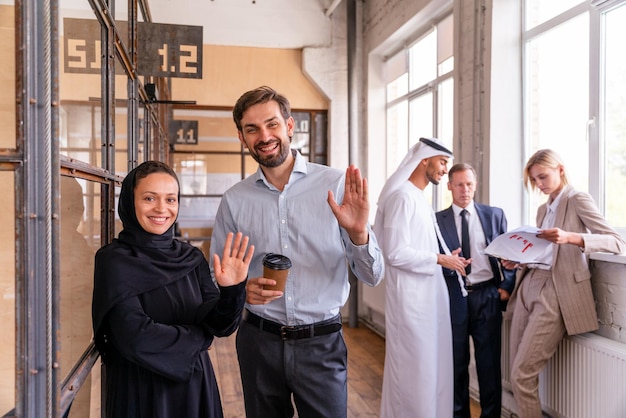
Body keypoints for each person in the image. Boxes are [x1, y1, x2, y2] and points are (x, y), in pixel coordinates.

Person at [209, 86, 384, 418]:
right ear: (242, 138)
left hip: (321, 343)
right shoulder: (234, 200)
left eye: (272, 124)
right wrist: (241, 290)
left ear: (289, 126)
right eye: (252, 129)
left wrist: (359, 233)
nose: (264, 135)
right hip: (258, 341)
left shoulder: (335, 185)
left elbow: (372, 275)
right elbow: (215, 277)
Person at [92, 161, 254, 418]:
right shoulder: (114, 260)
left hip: (194, 385)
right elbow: (134, 336)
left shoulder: (190, 257)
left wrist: (232, 290)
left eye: (171, 199)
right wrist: (200, 339)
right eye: (149, 198)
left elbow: (219, 325)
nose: (161, 209)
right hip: (140, 389)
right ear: (129, 203)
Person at [502, 149, 626, 418]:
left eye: (543, 177)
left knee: (523, 374)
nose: (540, 185)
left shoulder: (578, 199)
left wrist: (571, 237)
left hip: (555, 291)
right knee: (516, 372)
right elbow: (542, 253)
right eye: (534, 180)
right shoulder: (542, 209)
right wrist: (517, 260)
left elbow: (617, 241)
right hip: (527, 285)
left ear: (560, 169)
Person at [374, 137, 469, 418]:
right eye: (442, 163)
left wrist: (447, 256)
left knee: (431, 372)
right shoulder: (403, 196)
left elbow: (418, 248)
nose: (444, 170)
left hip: (428, 301)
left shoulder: (417, 197)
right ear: (424, 159)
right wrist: (440, 258)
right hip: (411, 305)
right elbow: (395, 253)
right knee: (414, 375)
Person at [435, 163, 516, 418]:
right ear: (449, 186)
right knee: (456, 364)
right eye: (459, 184)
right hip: (454, 298)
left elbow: (510, 255)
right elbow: (431, 259)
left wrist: (505, 288)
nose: (464, 190)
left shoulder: (494, 215)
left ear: (475, 185)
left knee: (489, 365)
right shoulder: (436, 221)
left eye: (469, 184)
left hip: (487, 296)